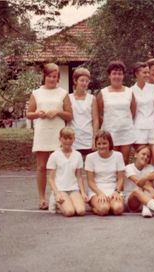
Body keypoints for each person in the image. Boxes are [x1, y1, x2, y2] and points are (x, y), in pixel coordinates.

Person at [26, 63, 73, 210]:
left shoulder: (63, 93)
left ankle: (57, 197)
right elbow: (29, 113)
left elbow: (70, 115)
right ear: (44, 77)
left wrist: (58, 112)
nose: (52, 79)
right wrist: (37, 114)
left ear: (58, 78)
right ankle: (42, 198)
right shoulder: (36, 93)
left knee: (57, 166)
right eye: (49, 76)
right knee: (41, 167)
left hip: (57, 133)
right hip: (42, 132)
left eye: (55, 76)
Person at [97, 61, 136, 164]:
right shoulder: (103, 93)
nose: (117, 76)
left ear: (123, 76)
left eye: (120, 74)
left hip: (126, 132)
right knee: (112, 161)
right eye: (114, 73)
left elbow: (133, 112)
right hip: (110, 133)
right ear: (109, 75)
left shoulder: (129, 92)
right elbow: (100, 114)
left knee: (124, 161)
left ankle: (122, 180)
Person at [47, 127, 87, 216]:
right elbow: (50, 178)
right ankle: (54, 199)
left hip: (73, 189)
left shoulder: (78, 155)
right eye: (65, 138)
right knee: (70, 212)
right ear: (60, 139)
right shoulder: (54, 155)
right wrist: (57, 193)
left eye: (70, 138)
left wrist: (83, 192)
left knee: (81, 211)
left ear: (74, 139)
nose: (67, 141)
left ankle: (69, 201)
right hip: (60, 189)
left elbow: (79, 176)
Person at [85, 130, 125, 216]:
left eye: (104, 143)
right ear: (95, 144)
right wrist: (100, 193)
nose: (101, 146)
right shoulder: (90, 157)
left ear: (110, 143)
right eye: (99, 144)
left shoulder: (118, 156)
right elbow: (90, 182)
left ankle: (109, 205)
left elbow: (121, 178)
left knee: (118, 209)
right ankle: (95, 206)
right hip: (97, 189)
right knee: (103, 209)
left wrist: (117, 191)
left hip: (113, 188)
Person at [131, 62, 154, 146]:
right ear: (137, 74)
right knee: (142, 156)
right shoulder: (131, 91)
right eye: (144, 72)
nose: (147, 75)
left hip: (153, 128)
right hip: (138, 128)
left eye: (148, 72)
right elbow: (131, 113)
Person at [69, 67, 99, 156]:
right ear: (75, 81)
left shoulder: (92, 99)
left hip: (88, 139)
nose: (84, 83)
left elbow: (96, 120)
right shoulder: (68, 98)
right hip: (73, 139)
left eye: (87, 81)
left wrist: (95, 139)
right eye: (82, 80)